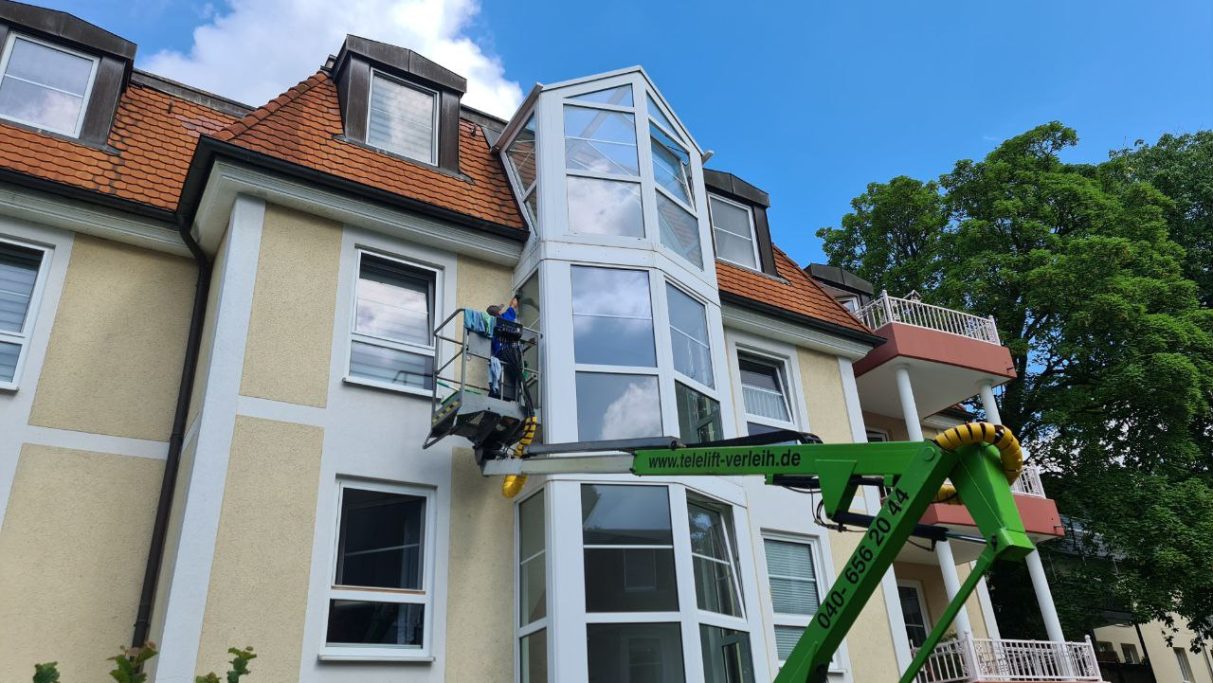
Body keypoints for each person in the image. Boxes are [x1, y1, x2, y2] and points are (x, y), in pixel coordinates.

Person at [487, 296, 520, 400]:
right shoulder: (505, 318)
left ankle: (495, 394)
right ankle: (513, 395)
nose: (502, 310)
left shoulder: (490, 325)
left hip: (499, 354)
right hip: (508, 352)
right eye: (500, 309)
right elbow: (514, 304)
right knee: (514, 375)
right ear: (499, 312)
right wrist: (517, 296)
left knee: (502, 379)